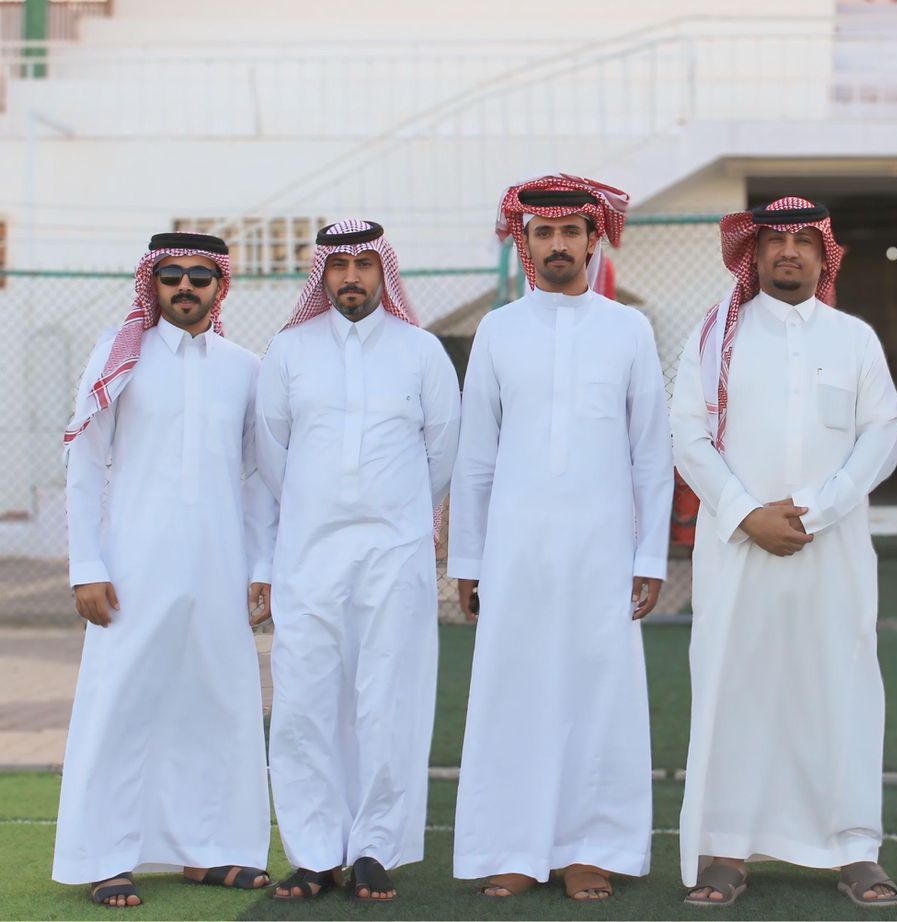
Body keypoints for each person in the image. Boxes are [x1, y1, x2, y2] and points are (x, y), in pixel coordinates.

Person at [670, 196, 897, 909]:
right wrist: (747, 513)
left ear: (824, 254)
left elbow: (882, 434)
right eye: (775, 240)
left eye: (805, 240)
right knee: (734, 686)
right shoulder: (714, 338)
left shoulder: (854, 338)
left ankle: (854, 848)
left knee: (842, 687)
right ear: (754, 252)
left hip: (833, 551)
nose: (789, 251)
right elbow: (687, 435)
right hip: (739, 549)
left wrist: (817, 511)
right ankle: (726, 849)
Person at [449, 175, 673, 902]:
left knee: (598, 695)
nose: (556, 245)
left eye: (570, 232)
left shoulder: (628, 329)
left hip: (603, 549)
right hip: (515, 550)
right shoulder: (498, 329)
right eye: (543, 233)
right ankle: (515, 848)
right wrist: (469, 559)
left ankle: (589, 850)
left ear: (591, 239)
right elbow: (476, 455)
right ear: (526, 242)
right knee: (514, 691)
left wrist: (649, 555)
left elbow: (650, 453)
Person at [54, 232, 276, 908]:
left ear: (219, 287)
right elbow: (84, 461)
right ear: (152, 283)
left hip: (220, 562)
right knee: (120, 702)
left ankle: (211, 852)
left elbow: (260, 479)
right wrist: (85, 565)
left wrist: (262, 565)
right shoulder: (119, 356)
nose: (185, 286)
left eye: (199, 276)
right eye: (171, 274)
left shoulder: (245, 368)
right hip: (132, 562)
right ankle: (105, 856)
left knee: (220, 701)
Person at [255, 220, 460, 903]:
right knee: (304, 702)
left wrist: (391, 510)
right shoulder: (288, 351)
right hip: (308, 554)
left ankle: (376, 848)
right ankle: (315, 853)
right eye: (338, 265)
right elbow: (273, 456)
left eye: (364, 264)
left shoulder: (421, 351)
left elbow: (441, 454)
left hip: (395, 554)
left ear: (383, 272)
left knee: (389, 699)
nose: (351, 277)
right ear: (322, 273)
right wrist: (323, 507)